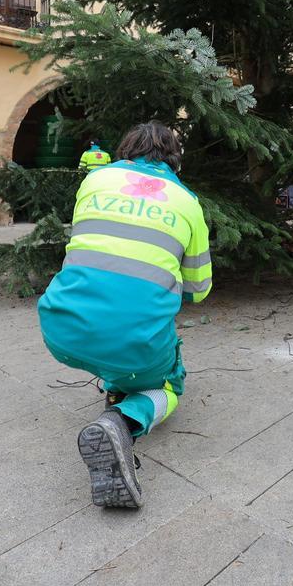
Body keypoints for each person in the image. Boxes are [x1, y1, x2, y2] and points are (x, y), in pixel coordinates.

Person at [38, 122, 211, 509]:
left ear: (125, 150)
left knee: (120, 338)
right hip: (134, 342)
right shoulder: (187, 202)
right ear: (174, 158)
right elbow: (198, 289)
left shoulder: (96, 180)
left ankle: (118, 386)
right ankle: (124, 422)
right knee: (168, 383)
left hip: (60, 326)